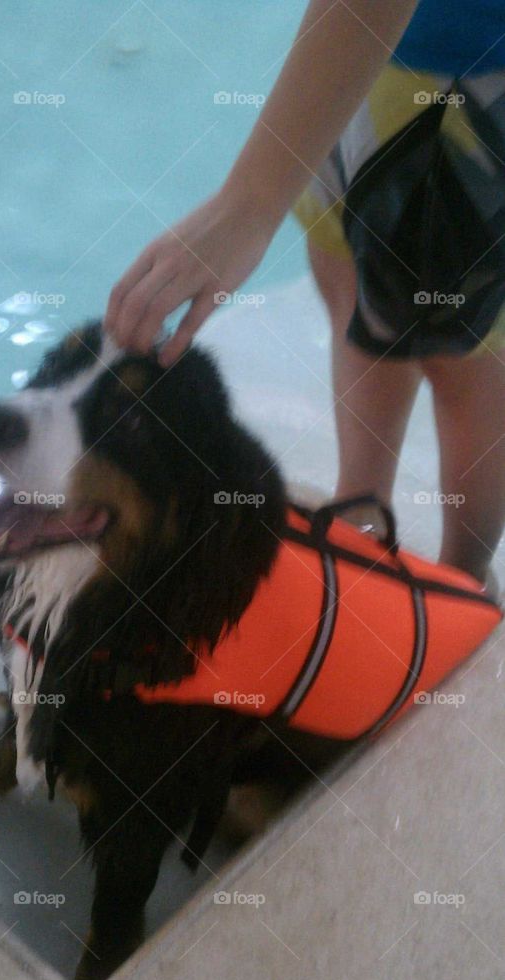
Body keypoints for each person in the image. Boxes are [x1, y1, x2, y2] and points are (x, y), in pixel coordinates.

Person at [105, 0, 505, 586]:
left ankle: (465, 579)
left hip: (466, 78)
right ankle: (361, 512)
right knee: (349, 290)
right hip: (345, 63)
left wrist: (249, 203)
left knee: (463, 359)